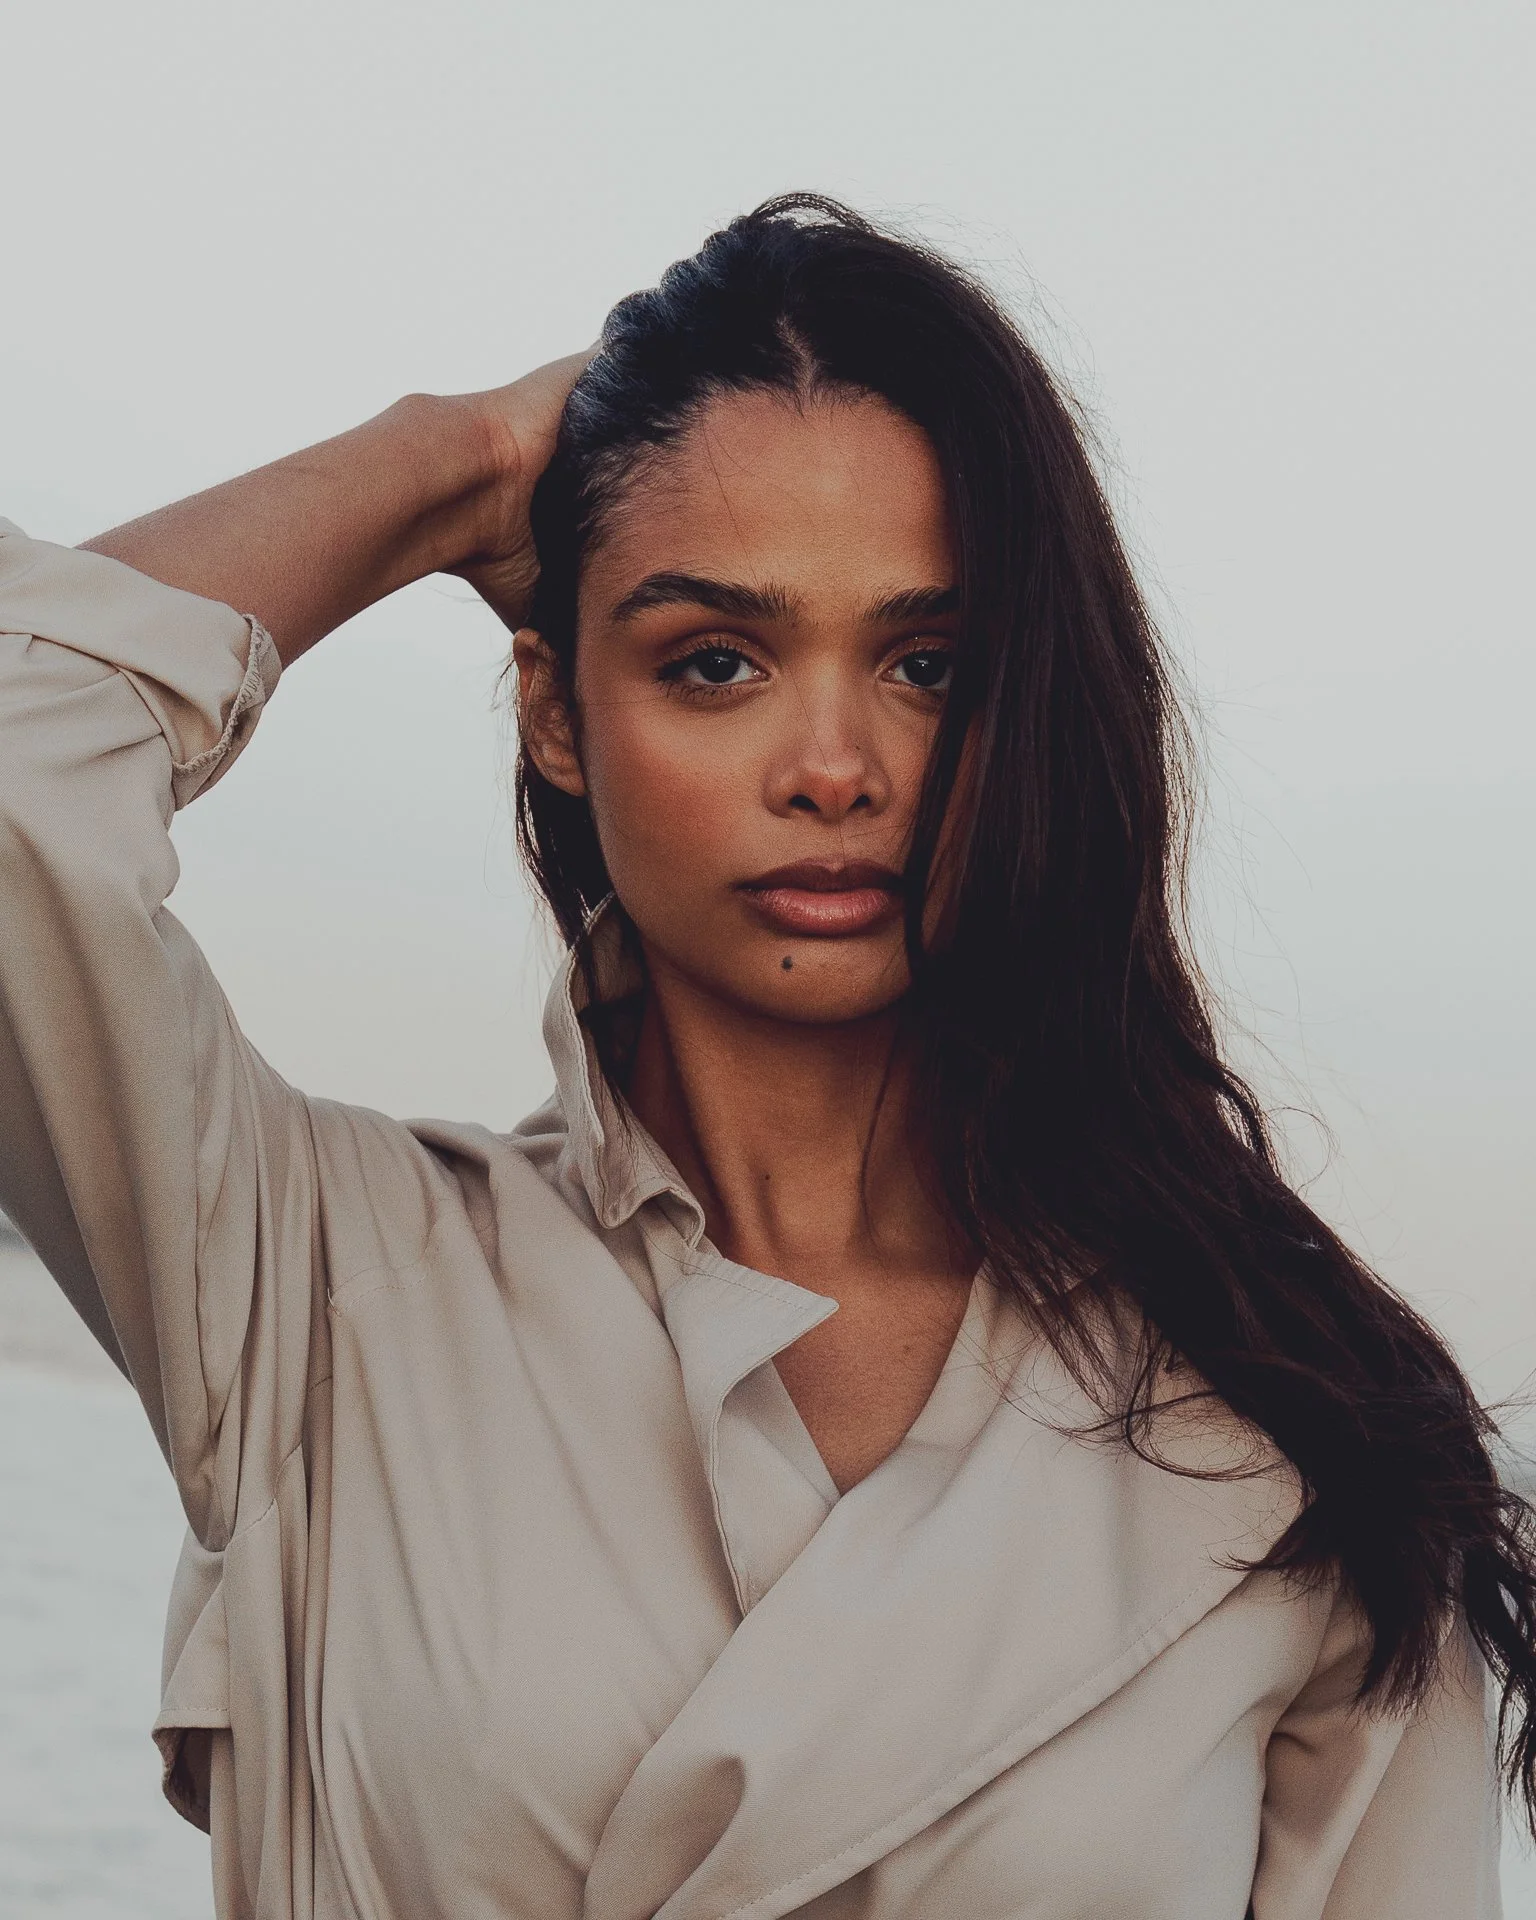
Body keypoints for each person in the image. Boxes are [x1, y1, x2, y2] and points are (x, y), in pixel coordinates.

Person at [0, 194, 1530, 1919]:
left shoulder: (1291, 1431)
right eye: (714, 660)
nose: (833, 765)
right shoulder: (329, 1287)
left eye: (930, 665)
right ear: (560, 713)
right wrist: (460, 463)